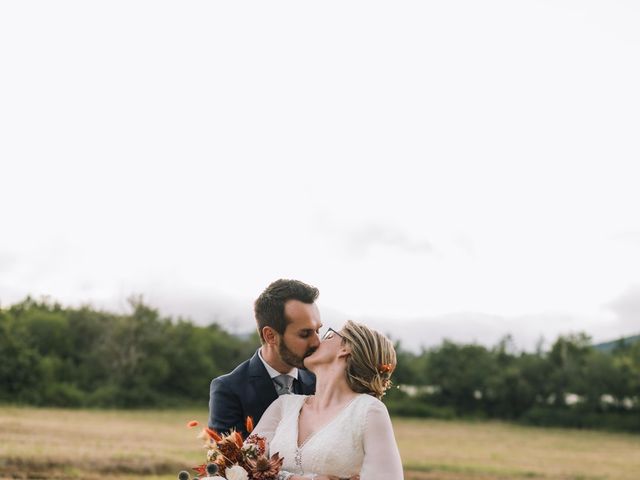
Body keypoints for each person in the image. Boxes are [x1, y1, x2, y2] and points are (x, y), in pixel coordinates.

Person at [251, 320, 404, 480]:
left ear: (346, 348)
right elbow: (237, 466)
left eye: (329, 336)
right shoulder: (284, 405)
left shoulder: (369, 410)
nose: (317, 341)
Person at [209, 279, 322, 436]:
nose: (317, 342)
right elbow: (228, 458)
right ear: (270, 336)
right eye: (305, 334)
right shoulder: (229, 390)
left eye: (318, 331)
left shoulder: (321, 381)